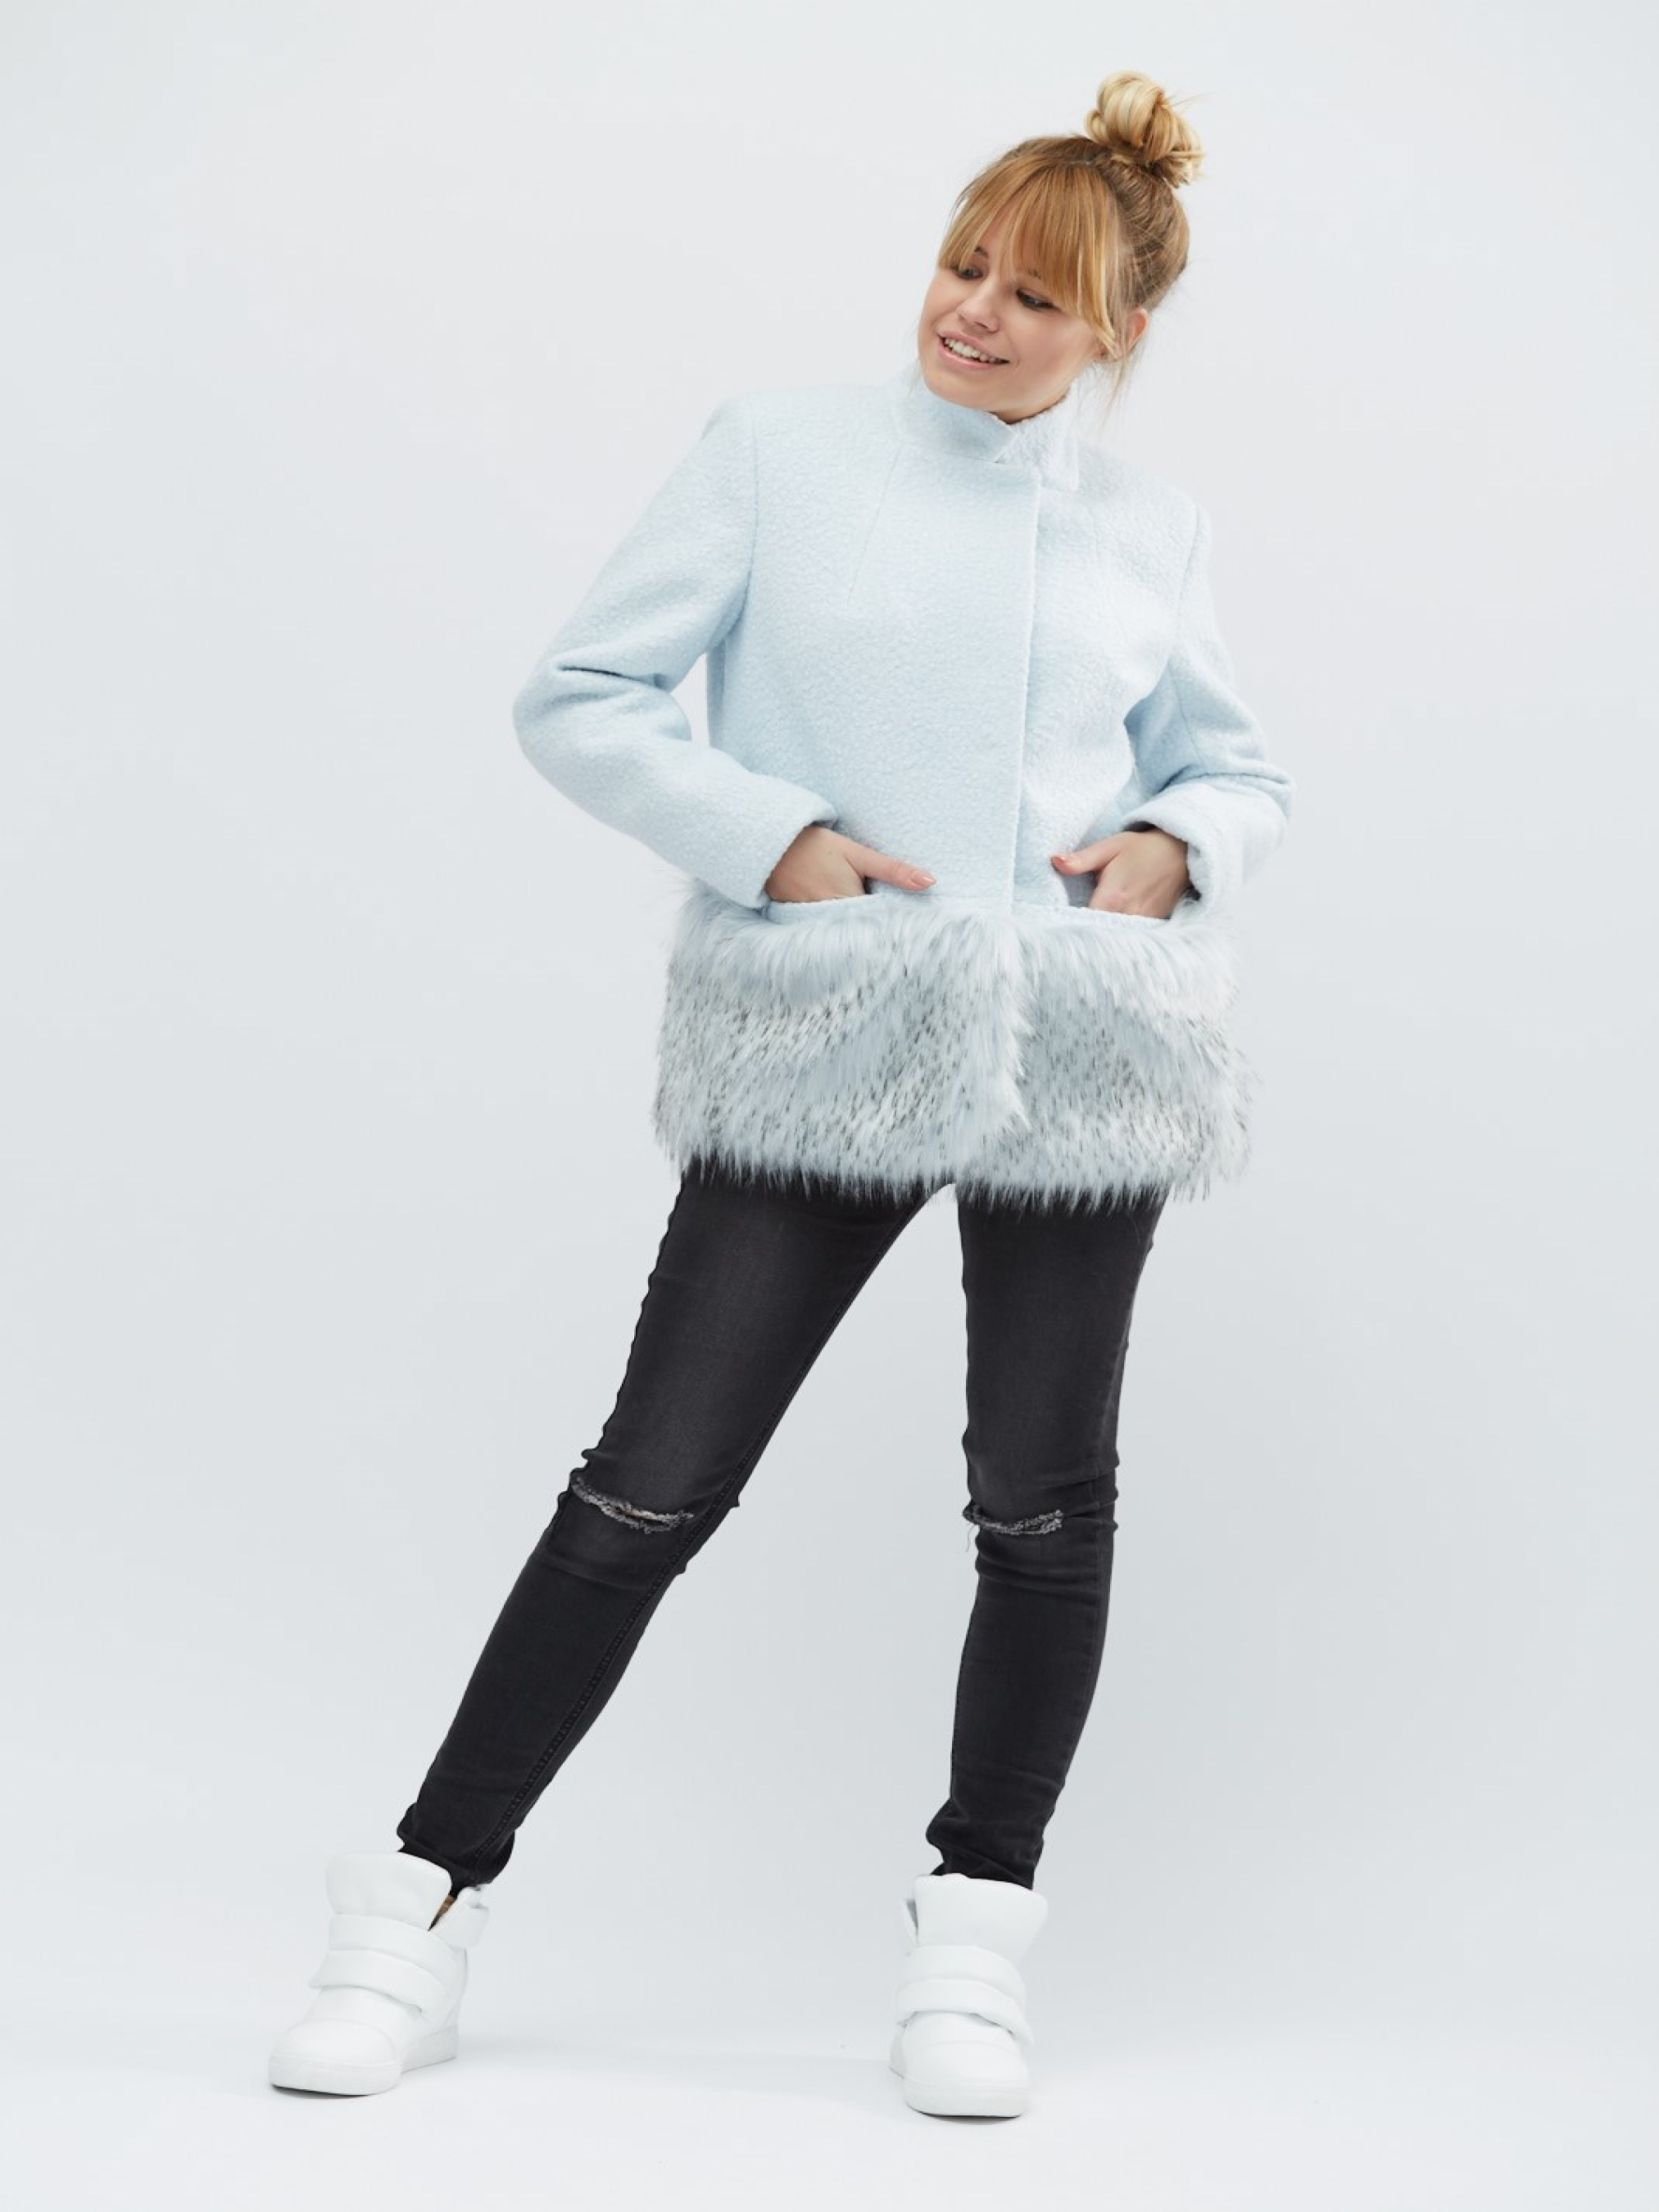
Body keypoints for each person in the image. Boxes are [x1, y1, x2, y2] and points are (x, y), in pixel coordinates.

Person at [268, 67, 1294, 2120]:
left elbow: (1233, 763)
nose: (973, 312)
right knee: (648, 1484)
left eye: (1033, 295)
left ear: (1115, 334)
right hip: (826, 1032)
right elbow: (579, 694)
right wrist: (776, 840)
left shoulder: (1148, 528)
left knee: (1045, 1508)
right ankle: (417, 1911)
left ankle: (972, 1943)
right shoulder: (779, 454)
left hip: (1077, 1050)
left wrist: (1179, 844)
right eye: (962, 264)